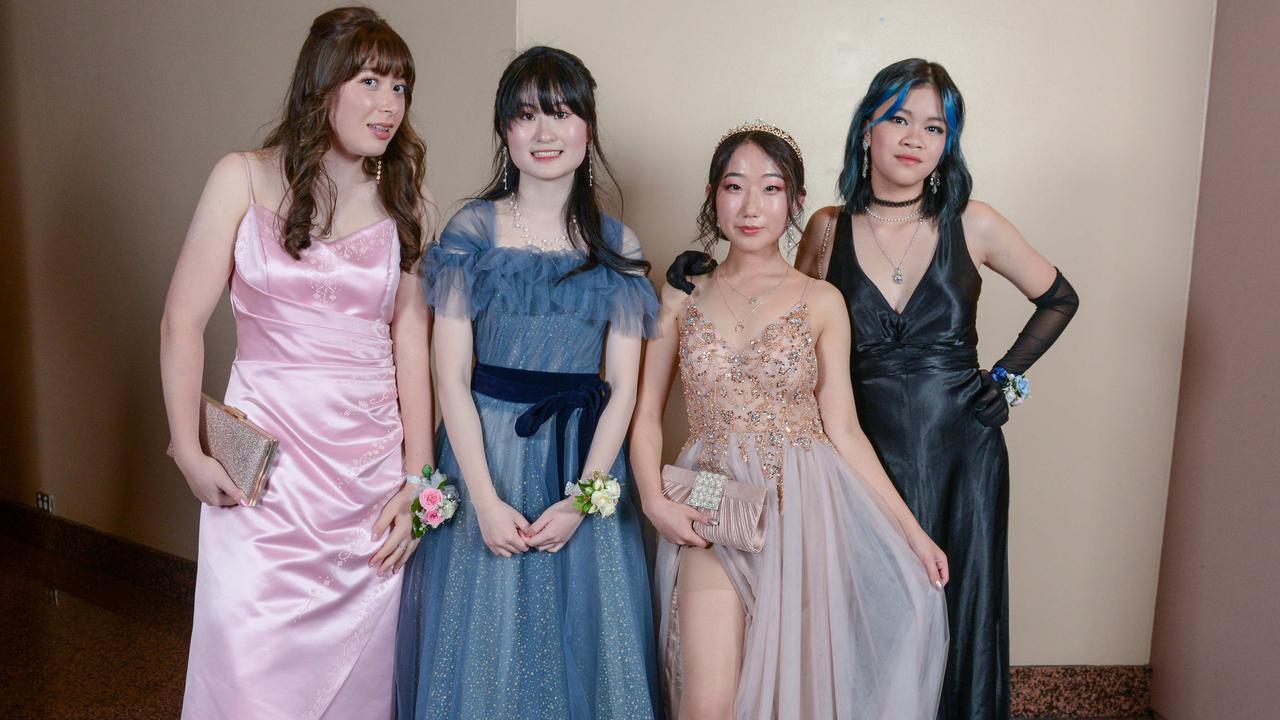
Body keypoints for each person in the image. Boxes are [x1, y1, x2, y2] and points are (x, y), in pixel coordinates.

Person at [670, 59, 1080, 720]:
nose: (914, 137)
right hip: (859, 455)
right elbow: (773, 304)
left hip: (961, 457)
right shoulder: (827, 227)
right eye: (898, 119)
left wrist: (1007, 382)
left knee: (959, 615)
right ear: (867, 130)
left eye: (934, 127)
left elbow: (1059, 298)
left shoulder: (974, 222)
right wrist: (695, 276)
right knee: (866, 627)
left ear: (949, 144)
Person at [159, 8, 434, 718]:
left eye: (400, 86)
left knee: (360, 689)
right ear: (323, 84)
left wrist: (420, 482)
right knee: (248, 674)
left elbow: (412, 344)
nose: (388, 104)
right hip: (268, 483)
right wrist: (188, 450)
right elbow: (181, 322)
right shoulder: (241, 178)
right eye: (370, 80)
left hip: (369, 487)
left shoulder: (405, 198)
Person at [633, 122, 948, 720]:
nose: (751, 206)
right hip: (710, 488)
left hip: (805, 500)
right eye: (734, 187)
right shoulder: (680, 296)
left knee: (792, 694)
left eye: (771, 189)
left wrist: (912, 532)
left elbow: (844, 430)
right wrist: (653, 498)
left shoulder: (820, 300)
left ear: (795, 202)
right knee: (707, 699)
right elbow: (646, 416)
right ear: (712, 195)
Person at [394, 46, 662, 719]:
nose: (544, 133)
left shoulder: (618, 245)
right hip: (484, 452)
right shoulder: (470, 231)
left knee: (583, 654)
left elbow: (623, 388)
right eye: (525, 116)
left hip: (580, 461)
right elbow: (449, 375)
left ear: (588, 128)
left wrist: (586, 498)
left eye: (561, 113)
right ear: (504, 132)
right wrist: (482, 501)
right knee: (482, 645)